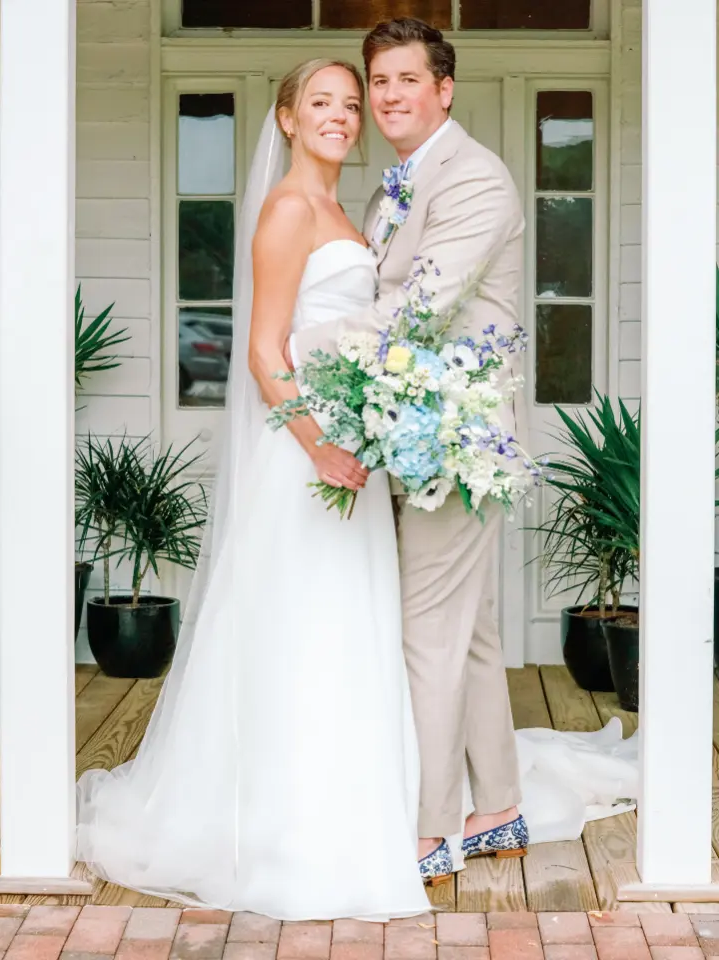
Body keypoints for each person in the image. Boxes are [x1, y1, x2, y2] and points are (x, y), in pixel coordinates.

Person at [75, 57, 430, 921]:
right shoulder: (287, 210)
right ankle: (283, 828)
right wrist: (320, 448)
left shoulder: (349, 210)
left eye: (351, 105)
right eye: (322, 103)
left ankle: (350, 808)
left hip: (347, 451)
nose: (342, 116)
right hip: (304, 459)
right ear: (286, 118)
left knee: (346, 623)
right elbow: (265, 354)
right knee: (298, 621)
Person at [286, 18, 528, 882]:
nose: (386, 97)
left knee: (428, 632)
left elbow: (416, 310)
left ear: (444, 89)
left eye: (404, 80)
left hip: (457, 441)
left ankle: (429, 833)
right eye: (376, 81)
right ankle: (496, 805)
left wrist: (300, 342)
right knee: (468, 634)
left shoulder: (474, 181)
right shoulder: (402, 181)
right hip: (416, 429)